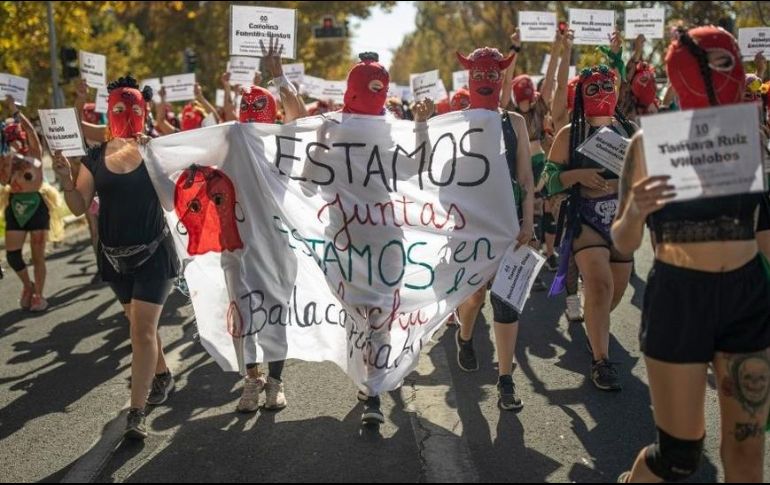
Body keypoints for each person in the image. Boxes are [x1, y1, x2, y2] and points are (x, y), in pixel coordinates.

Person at [613, 26, 770, 483]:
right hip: (679, 299)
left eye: (732, 61)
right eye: (720, 63)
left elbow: (763, 231)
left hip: (746, 300)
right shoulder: (646, 145)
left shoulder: (752, 139)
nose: (732, 73)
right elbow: (621, 243)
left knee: (747, 453)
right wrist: (637, 211)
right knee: (680, 456)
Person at [53, 75, 179, 440]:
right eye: (120, 108)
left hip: (155, 254)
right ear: (110, 112)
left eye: (135, 108)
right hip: (114, 257)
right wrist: (65, 178)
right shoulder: (94, 158)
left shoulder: (156, 152)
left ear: (144, 111)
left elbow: (175, 196)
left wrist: (157, 157)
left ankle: (136, 413)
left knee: (140, 329)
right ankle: (162, 374)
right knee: (138, 322)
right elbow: (78, 207)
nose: (128, 113)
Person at [542, 63, 637, 392]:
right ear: (581, 95)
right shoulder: (569, 133)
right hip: (587, 219)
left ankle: (597, 322)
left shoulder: (630, 132)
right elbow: (548, 181)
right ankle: (601, 361)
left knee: (614, 291)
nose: (602, 94)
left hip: (623, 221)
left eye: (607, 87)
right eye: (593, 88)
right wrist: (576, 176)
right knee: (598, 285)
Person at [454, 45, 535, 410]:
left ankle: (505, 380)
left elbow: (526, 179)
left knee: (506, 304)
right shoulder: (456, 123)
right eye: (480, 74)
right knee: (474, 298)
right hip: (470, 230)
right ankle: (465, 335)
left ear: (500, 78)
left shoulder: (515, 123)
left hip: (509, 228)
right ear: (470, 78)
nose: (486, 81)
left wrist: (529, 222)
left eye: (493, 74)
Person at [233, 38, 307, 414]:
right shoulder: (229, 143)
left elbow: (299, 117)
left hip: (278, 245)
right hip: (239, 246)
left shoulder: (284, 144)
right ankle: (251, 380)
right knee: (243, 316)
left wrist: (279, 76)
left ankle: (275, 382)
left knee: (274, 314)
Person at [0, 95, 61, 311]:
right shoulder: (5, 159)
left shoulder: (33, 154)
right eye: (10, 139)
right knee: (13, 255)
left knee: (37, 254)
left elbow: (33, 134)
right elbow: (3, 180)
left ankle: (39, 296)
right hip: (15, 206)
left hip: (36, 206)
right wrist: (7, 162)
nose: (14, 142)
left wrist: (15, 111)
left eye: (16, 138)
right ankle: (28, 285)